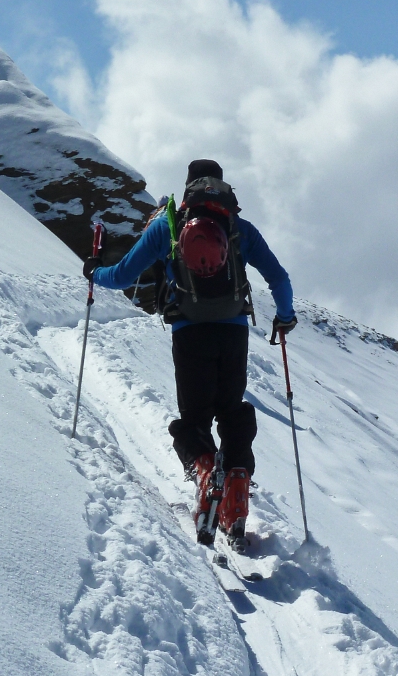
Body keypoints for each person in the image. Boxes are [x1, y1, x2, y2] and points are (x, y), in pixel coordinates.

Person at [87, 159, 296, 551]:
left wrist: (93, 271)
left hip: (189, 332)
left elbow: (121, 277)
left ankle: (204, 474)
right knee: (232, 409)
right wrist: (285, 318)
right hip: (233, 332)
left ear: (187, 187)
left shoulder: (167, 226)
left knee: (194, 418)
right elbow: (279, 278)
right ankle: (235, 491)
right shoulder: (238, 228)